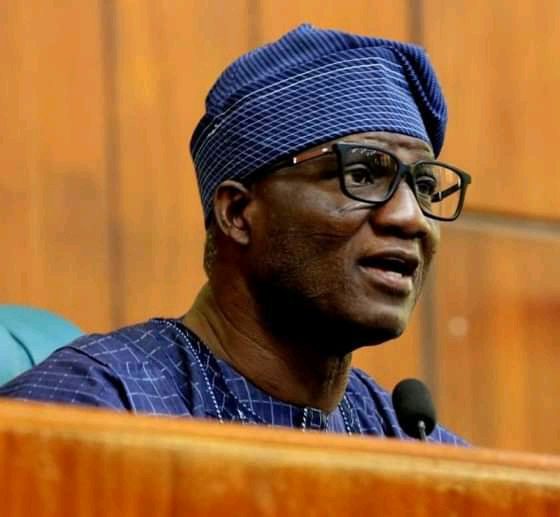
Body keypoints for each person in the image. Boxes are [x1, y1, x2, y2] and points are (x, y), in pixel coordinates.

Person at [0, 25, 471, 443]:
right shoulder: (91, 411)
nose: (411, 218)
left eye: (424, 187)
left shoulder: (416, 446)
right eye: (363, 175)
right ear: (238, 213)